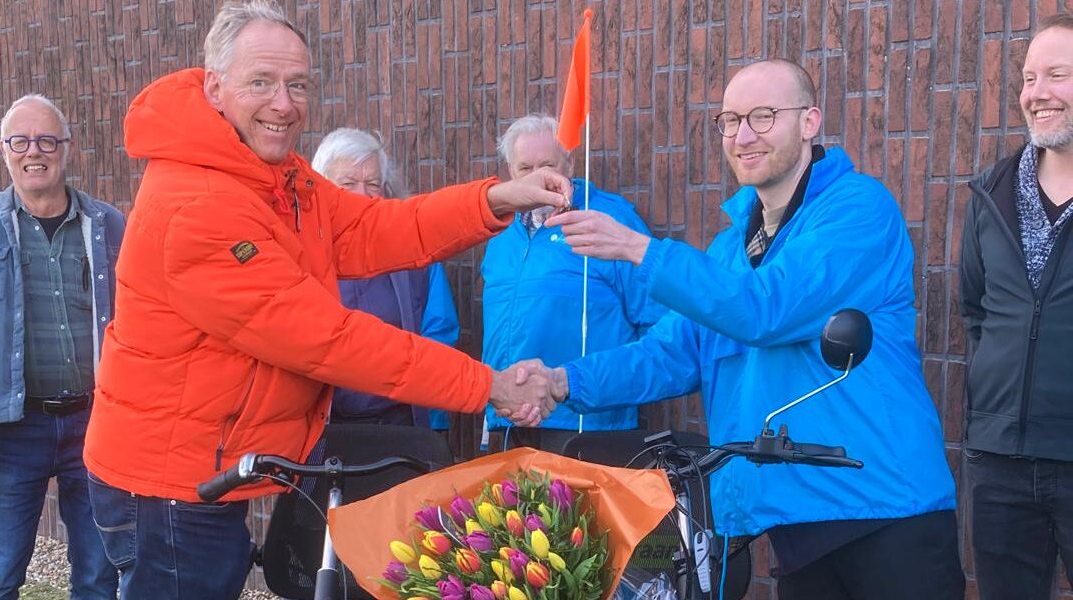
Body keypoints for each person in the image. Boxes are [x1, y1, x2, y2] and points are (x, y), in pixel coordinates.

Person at [81, 2, 566, 597]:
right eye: (261, 82)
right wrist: (485, 385)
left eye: (297, 85)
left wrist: (494, 200)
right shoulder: (199, 205)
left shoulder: (274, 175)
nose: (284, 104)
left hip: (204, 467)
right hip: (168, 484)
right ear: (214, 87)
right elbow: (326, 339)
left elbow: (377, 227)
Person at [536, 59, 963, 599]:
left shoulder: (857, 209)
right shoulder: (730, 249)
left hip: (883, 512)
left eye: (763, 117)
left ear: (810, 122)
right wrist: (561, 382)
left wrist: (637, 249)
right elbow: (671, 353)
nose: (743, 135)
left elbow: (769, 309)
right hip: (795, 523)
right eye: (730, 120)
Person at [0, 94, 121, 599]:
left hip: (97, 425)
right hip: (9, 431)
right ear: (4, 150)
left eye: (46, 140)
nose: (33, 151)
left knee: (101, 575)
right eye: (20, 141)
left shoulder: (110, 228)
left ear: (67, 148)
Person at [959, 13, 1073, 599]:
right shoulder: (990, 194)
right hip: (997, 460)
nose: (1037, 94)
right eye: (1029, 79)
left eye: (1056, 75)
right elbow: (977, 312)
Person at [481, 114, 667, 452]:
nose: (539, 176)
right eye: (525, 168)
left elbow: (656, 319)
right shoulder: (500, 235)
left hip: (586, 425)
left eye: (548, 164)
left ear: (569, 164)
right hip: (510, 422)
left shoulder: (608, 219)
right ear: (510, 171)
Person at [311, 127, 460, 429]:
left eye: (372, 184)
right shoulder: (302, 254)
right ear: (322, 187)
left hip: (402, 422)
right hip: (323, 429)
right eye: (348, 183)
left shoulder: (414, 252)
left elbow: (439, 332)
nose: (361, 194)